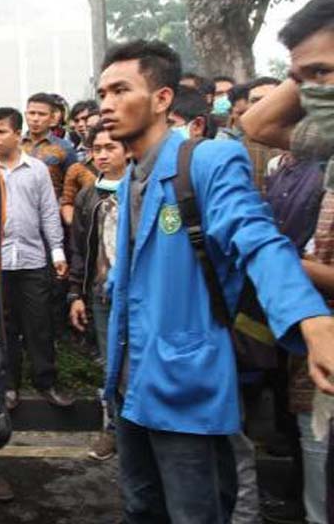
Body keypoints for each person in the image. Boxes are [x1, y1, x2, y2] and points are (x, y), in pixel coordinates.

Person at [99, 38, 334, 524]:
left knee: (195, 513)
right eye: (102, 93)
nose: (105, 105)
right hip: (129, 386)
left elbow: (258, 239)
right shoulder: (129, 180)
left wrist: (311, 318)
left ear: (163, 99)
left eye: (121, 90)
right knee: (141, 507)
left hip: (185, 386)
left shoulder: (204, 163)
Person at [242, 0, 334, 524]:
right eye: (302, 81)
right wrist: (303, 72)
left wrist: (273, 259)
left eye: (323, 74)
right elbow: (259, 127)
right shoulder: (327, 143)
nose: (310, 92)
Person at [0, 106, 73, 408]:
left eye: (1, 132)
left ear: (17, 134)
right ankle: (8, 386)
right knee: (3, 326)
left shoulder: (36, 169)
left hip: (33, 259)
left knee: (39, 324)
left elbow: (49, 213)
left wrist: (57, 251)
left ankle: (46, 382)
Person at [68, 122, 128, 461]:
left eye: (111, 148)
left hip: (139, 294)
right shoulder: (89, 194)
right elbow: (80, 248)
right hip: (101, 292)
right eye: (97, 149)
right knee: (110, 367)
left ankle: (138, 433)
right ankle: (112, 431)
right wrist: (75, 293)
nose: (103, 155)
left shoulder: (144, 189)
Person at [22, 91, 78, 198]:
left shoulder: (65, 147)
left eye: (42, 114)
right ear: (26, 115)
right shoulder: (15, 147)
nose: (35, 119)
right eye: (32, 113)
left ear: (52, 118)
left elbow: (72, 185)